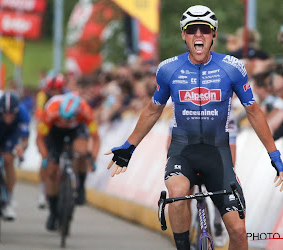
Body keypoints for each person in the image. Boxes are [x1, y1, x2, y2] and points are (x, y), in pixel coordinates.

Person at [105, 5, 283, 250]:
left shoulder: (232, 67)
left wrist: (274, 155)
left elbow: (253, 111)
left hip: (217, 155)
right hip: (183, 152)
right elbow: (153, 110)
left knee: (239, 232)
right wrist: (128, 147)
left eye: (204, 30)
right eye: (191, 30)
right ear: (183, 35)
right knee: (178, 197)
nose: (198, 34)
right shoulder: (168, 69)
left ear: (214, 34)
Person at [36, 92, 100, 231]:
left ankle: (81, 186)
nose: (66, 122)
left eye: (69, 119)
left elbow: (95, 138)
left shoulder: (85, 110)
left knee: (82, 151)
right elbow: (40, 139)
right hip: (54, 132)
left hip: (76, 130)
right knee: (52, 170)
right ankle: (53, 213)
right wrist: (46, 157)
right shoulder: (51, 111)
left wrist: (92, 158)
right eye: (64, 119)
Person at [0, 91, 30, 220]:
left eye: (11, 114)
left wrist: (21, 148)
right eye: (5, 113)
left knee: (9, 159)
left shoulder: (23, 114)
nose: (8, 117)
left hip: (11, 135)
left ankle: (8, 201)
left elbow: (25, 139)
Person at [35, 71, 67, 209]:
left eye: (58, 90)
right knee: (46, 160)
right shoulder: (42, 96)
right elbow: (40, 114)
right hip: (48, 126)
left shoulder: (67, 95)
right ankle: (44, 190)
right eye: (52, 90)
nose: (55, 93)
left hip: (65, 127)